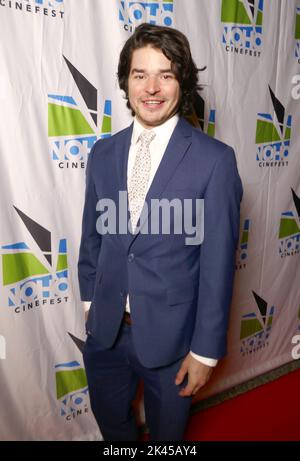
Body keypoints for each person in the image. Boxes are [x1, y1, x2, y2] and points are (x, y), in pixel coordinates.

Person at [78, 23, 243, 441]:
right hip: (106, 331)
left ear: (181, 82)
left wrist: (205, 351)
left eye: (166, 75)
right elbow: (92, 236)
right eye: (140, 75)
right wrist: (90, 303)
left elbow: (218, 265)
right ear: (126, 81)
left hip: (174, 342)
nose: (151, 88)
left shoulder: (215, 160)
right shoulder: (103, 152)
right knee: (112, 424)